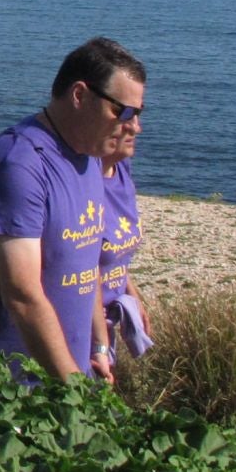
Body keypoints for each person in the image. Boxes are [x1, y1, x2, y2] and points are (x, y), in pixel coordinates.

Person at [0, 37, 146, 383]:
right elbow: (22, 295)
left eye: (137, 114)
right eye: (123, 111)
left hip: (63, 382)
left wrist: (98, 349)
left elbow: (86, 261)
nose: (133, 126)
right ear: (79, 95)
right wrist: (75, 392)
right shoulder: (18, 164)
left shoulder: (90, 159)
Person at [98, 114, 153, 362]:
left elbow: (114, 253)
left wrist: (133, 296)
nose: (136, 128)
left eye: (138, 117)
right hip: (84, 325)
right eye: (126, 117)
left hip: (110, 321)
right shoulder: (81, 185)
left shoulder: (121, 171)